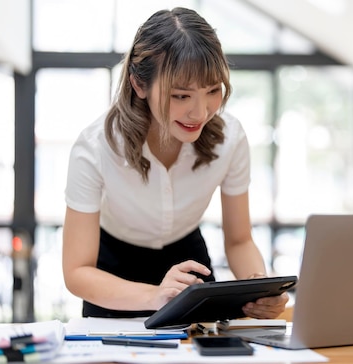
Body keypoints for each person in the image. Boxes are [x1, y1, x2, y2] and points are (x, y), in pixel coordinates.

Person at [62, 7, 287, 319]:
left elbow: (239, 240)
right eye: (181, 96)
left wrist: (259, 288)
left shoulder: (230, 138)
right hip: (113, 271)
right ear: (139, 86)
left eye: (212, 91)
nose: (200, 112)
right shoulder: (94, 148)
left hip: (188, 260)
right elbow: (77, 271)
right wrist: (155, 294)